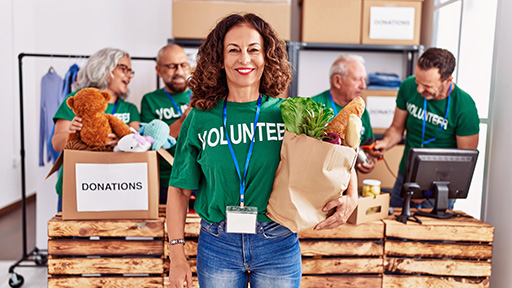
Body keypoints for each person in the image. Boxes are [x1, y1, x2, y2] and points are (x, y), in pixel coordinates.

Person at [166, 13, 358, 288]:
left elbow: (338, 148)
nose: (244, 59)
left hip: (277, 241)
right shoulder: (200, 117)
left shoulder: (290, 112)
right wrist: (177, 254)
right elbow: (179, 189)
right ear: (219, 59)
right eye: (233, 50)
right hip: (218, 245)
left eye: (253, 50)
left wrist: (352, 195)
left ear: (267, 57)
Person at [369, 47, 479, 209]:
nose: (419, 90)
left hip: (440, 188)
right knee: (395, 231)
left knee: (430, 234)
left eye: (427, 86)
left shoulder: (465, 107)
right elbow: (396, 129)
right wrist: (384, 144)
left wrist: (427, 190)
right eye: (417, 82)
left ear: (448, 80)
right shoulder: (408, 87)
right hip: (406, 177)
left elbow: (464, 162)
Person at [52, 48, 141, 212]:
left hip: (117, 186)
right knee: (71, 236)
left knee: (115, 236)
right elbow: (57, 144)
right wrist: (71, 132)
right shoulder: (76, 101)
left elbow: (138, 142)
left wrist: (123, 141)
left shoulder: (130, 108)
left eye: (130, 71)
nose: (129, 75)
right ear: (104, 68)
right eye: (123, 68)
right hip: (77, 185)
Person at [140, 44, 192, 204]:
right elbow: (153, 141)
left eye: (183, 65)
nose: (179, 71)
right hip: (164, 180)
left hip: (200, 178)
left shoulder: (202, 95)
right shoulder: (150, 100)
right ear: (158, 70)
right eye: (171, 66)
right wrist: (185, 118)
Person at [311, 54, 375, 173]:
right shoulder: (313, 106)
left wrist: (368, 162)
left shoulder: (361, 111)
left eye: (364, 80)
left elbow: (367, 148)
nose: (363, 86)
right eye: (357, 80)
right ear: (337, 81)